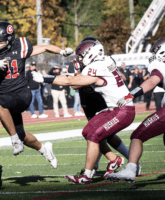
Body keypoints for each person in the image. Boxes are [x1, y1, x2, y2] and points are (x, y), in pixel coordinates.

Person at [32, 39, 135, 184]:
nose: (79, 59)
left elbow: (70, 82)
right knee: (87, 131)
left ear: (90, 53)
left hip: (122, 110)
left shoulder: (95, 67)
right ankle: (112, 161)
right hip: (114, 108)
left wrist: (45, 78)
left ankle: (87, 175)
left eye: (81, 55)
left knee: (95, 135)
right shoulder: (106, 60)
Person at [0, 21, 74, 168]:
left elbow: (45, 47)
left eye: (0, 42)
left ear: (9, 40)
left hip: (22, 94)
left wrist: (61, 51)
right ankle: (45, 149)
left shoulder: (20, 46)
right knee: (23, 135)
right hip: (7, 98)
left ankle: (14, 140)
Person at [66, 38, 140, 180]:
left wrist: (50, 79)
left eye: (81, 55)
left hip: (102, 100)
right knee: (92, 133)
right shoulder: (80, 63)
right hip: (88, 100)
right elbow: (74, 84)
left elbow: (74, 83)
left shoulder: (101, 62)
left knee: (102, 135)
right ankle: (106, 163)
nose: (79, 59)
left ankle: (115, 163)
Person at [107, 36, 165, 182]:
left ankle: (130, 169)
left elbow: (153, 80)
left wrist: (131, 95)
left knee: (137, 135)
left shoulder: (161, 64)